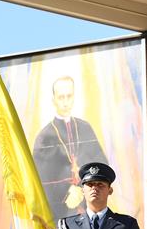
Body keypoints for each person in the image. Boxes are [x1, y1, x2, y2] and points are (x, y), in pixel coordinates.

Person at [32, 76, 109, 220]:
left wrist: (83, 188)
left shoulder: (85, 128)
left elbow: (103, 166)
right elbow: (39, 180)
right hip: (61, 213)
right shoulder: (45, 137)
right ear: (53, 100)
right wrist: (66, 193)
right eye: (61, 97)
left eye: (69, 96)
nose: (66, 102)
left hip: (90, 209)